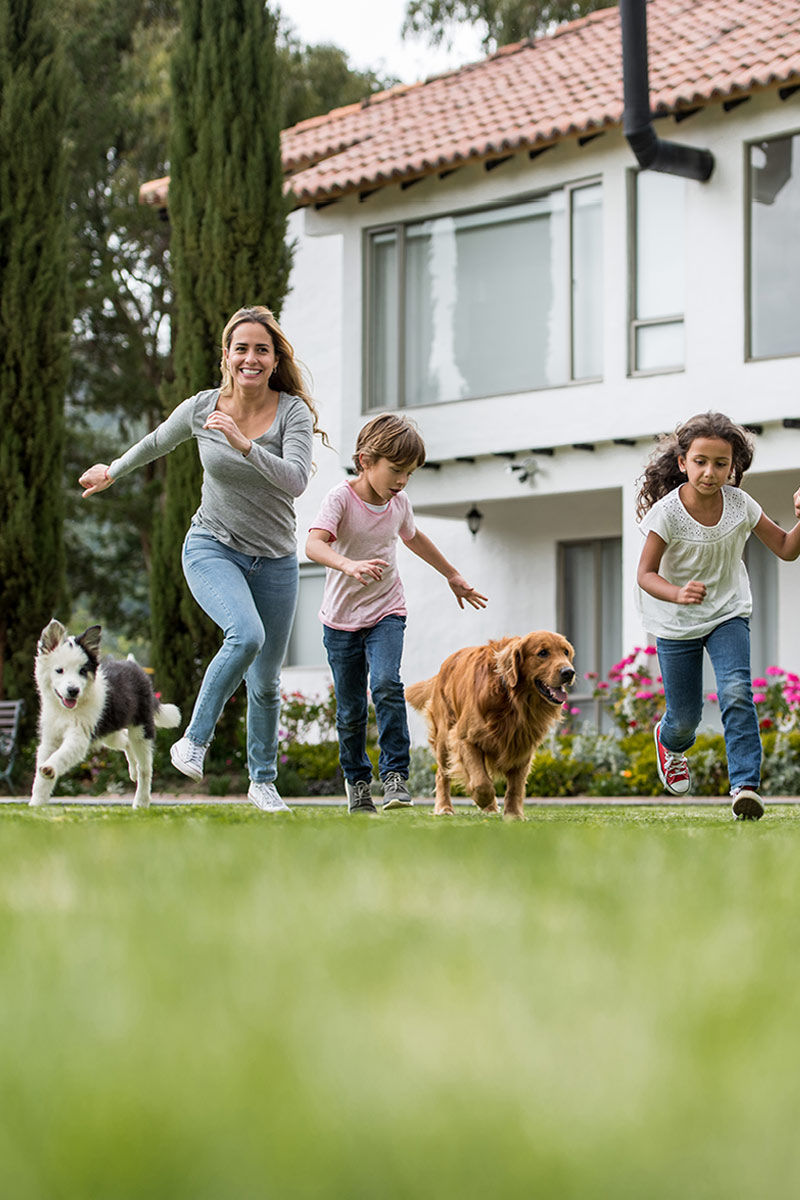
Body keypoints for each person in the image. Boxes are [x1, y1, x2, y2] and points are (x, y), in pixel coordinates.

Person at [79, 305, 327, 814]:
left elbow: (297, 480)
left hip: (275, 560)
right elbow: (156, 442)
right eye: (242, 349)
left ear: (274, 359)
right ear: (226, 356)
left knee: (266, 681)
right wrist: (113, 471)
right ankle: (193, 740)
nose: (251, 358)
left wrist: (244, 445)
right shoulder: (202, 408)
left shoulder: (292, 412)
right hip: (212, 545)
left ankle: (263, 782)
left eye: (262, 350)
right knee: (247, 635)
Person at [305, 413, 488, 814]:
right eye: (396, 470)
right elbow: (314, 545)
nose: (403, 481)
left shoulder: (399, 503)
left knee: (387, 683)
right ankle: (357, 782)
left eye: (409, 473)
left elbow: (413, 537)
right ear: (366, 461)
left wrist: (452, 575)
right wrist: (348, 565)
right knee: (351, 710)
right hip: (340, 620)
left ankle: (394, 776)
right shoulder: (340, 498)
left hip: (386, 610)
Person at [635, 411, 800, 820]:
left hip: (728, 612)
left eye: (721, 464)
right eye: (700, 462)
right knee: (685, 718)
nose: (710, 472)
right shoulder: (668, 513)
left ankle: (745, 787)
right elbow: (645, 574)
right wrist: (678, 593)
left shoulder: (740, 504)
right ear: (683, 463)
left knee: (737, 691)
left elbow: (785, 548)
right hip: (676, 623)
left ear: (733, 467)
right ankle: (669, 742)